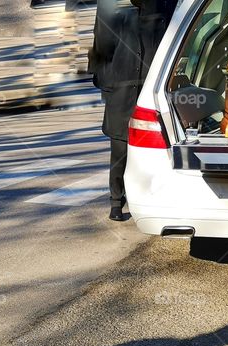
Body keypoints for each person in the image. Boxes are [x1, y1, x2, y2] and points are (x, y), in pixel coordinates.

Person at [89, 0, 177, 221]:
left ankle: (136, 199)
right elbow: (101, 42)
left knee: (152, 146)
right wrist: (105, 83)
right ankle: (116, 202)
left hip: (149, 84)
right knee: (120, 147)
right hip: (122, 84)